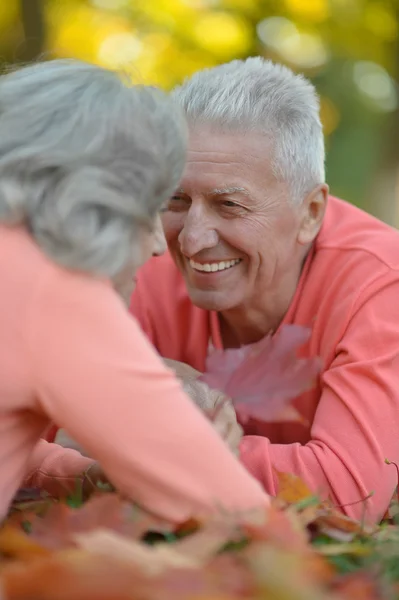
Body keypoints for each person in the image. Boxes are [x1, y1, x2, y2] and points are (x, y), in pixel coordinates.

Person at [129, 57, 399, 523]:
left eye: (229, 205)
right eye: (176, 199)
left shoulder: (380, 284)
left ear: (311, 212)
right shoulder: (144, 265)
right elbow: (32, 433)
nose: (191, 240)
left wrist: (161, 444)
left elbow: (346, 494)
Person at [0, 58, 268, 524]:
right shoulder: (56, 292)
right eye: (151, 207)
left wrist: (86, 474)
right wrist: (198, 454)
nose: (157, 246)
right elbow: (230, 508)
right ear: (92, 202)